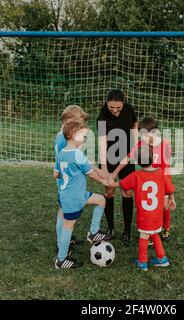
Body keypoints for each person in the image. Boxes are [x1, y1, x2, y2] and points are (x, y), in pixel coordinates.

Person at [54, 119, 111, 269]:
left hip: (67, 194)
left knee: (100, 200)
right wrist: (105, 182)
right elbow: (91, 174)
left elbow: (56, 174)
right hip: (74, 198)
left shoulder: (62, 153)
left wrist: (105, 175)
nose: (85, 139)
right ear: (74, 135)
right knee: (68, 226)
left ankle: (93, 232)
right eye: (83, 136)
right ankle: (61, 259)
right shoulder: (77, 155)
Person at [109, 145, 176, 271]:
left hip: (145, 215)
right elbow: (170, 188)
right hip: (157, 214)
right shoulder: (161, 173)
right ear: (153, 159)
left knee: (144, 236)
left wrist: (110, 182)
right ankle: (162, 258)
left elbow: (122, 184)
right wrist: (171, 199)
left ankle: (142, 261)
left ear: (138, 163)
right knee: (155, 233)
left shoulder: (136, 175)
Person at [109, 117, 176, 241]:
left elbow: (166, 166)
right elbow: (127, 158)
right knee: (151, 207)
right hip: (147, 182)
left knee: (165, 207)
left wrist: (168, 188)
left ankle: (166, 228)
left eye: (145, 136)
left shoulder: (165, 143)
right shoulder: (141, 145)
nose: (143, 138)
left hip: (162, 180)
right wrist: (115, 172)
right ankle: (151, 232)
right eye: (141, 135)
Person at [97, 89, 138, 245]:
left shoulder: (129, 109)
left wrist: (134, 142)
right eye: (111, 107)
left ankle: (127, 231)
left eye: (118, 108)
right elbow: (102, 142)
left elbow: (134, 123)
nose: (115, 110)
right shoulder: (102, 116)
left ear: (123, 104)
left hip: (127, 156)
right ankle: (111, 229)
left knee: (127, 191)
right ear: (107, 102)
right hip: (109, 156)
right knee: (109, 190)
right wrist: (104, 167)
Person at [53, 105, 88, 257]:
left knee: (63, 211)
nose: (82, 126)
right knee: (63, 212)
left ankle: (65, 240)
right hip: (65, 181)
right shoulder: (62, 140)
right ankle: (61, 243)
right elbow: (63, 162)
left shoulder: (62, 136)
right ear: (70, 122)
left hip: (66, 180)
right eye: (79, 122)